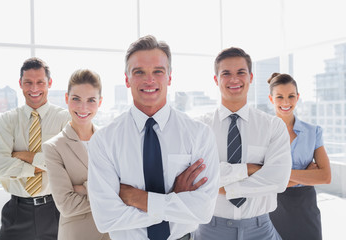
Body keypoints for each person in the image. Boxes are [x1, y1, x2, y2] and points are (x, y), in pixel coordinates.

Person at [87, 35, 220, 240]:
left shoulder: (199, 134)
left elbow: (203, 210)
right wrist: (174, 200)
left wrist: (138, 198)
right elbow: (107, 218)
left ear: (169, 77)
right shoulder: (104, 141)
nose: (149, 80)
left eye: (158, 71)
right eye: (139, 72)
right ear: (127, 79)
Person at [194, 47, 292, 240]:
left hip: (261, 229)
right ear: (216, 80)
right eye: (226, 74)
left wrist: (220, 187)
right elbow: (197, 177)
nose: (234, 79)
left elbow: (278, 180)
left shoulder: (273, 126)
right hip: (210, 229)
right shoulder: (199, 127)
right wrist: (250, 169)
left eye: (241, 72)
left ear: (251, 77)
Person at [0, 57, 70, 240]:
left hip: (56, 212)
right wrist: (43, 165)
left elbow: (68, 165)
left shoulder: (64, 120)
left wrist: (23, 155)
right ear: (20, 84)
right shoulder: (8, 120)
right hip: (17, 212)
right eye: (28, 82)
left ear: (49, 83)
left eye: (40, 82)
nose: (34, 88)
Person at [42, 69, 110, 240]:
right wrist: (110, 194)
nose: (83, 107)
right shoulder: (54, 147)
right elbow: (66, 205)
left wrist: (84, 188)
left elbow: (127, 185)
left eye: (91, 100)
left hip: (114, 232)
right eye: (76, 99)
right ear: (67, 99)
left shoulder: (109, 140)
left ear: (100, 102)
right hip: (78, 234)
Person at [267, 72, 331, 240]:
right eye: (279, 97)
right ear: (271, 98)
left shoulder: (313, 132)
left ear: (298, 97)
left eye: (291, 96)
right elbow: (264, 181)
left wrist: (278, 176)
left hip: (306, 208)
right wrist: (308, 174)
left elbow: (325, 176)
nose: (286, 102)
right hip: (273, 208)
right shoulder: (263, 135)